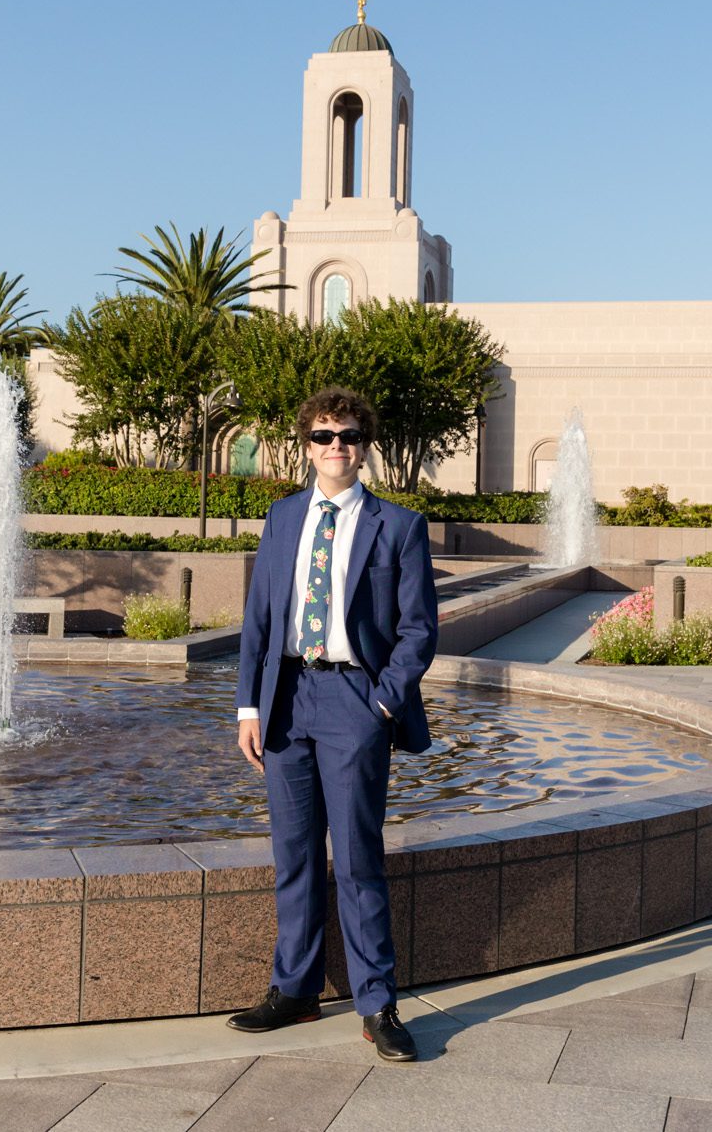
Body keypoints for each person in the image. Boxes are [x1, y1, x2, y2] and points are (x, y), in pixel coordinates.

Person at [227, 386, 436, 1062]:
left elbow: (418, 630)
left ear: (364, 445)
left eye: (347, 435)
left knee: (356, 858)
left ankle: (378, 1003)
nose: (336, 446)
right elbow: (260, 618)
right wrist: (248, 706)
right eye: (323, 436)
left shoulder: (397, 525)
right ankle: (295, 987)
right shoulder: (283, 516)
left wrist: (381, 704)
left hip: (354, 701)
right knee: (293, 855)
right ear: (306, 445)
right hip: (286, 698)